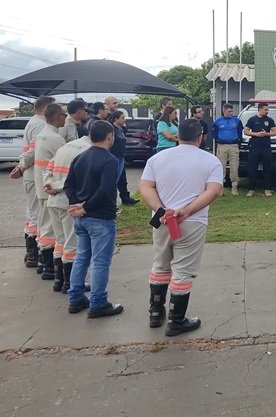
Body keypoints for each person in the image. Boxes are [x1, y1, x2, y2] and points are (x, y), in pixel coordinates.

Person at [139, 119, 223, 336]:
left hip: (162, 221)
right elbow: (213, 190)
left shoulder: (157, 158)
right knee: (183, 269)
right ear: (200, 137)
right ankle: (176, 320)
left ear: (178, 136)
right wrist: (187, 210)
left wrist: (160, 210)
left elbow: (146, 186)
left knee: (161, 265)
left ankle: (155, 311)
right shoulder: (210, 161)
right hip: (192, 222)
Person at [64, 120, 124, 317]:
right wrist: (85, 206)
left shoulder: (79, 158)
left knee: (81, 257)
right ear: (109, 137)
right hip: (100, 217)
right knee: (100, 261)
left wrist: (77, 204)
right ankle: (98, 302)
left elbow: (68, 185)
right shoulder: (109, 160)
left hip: (81, 218)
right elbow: (106, 189)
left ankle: (75, 298)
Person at [10, 95, 55, 269]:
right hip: (35, 173)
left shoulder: (33, 122)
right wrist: (22, 166)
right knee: (38, 213)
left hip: (31, 173)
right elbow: (34, 150)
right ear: (46, 108)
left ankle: (31, 252)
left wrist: (22, 165)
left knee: (32, 212)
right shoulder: (41, 125)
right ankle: (35, 253)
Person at [43, 135, 92, 293]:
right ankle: (70, 284)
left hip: (53, 201)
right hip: (68, 202)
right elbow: (76, 178)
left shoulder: (65, 147)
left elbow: (48, 168)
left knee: (60, 242)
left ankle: (59, 280)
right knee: (72, 244)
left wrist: (49, 184)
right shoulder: (87, 150)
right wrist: (57, 186)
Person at [33, 103, 67, 282]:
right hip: (51, 188)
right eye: (64, 115)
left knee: (43, 224)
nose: (65, 118)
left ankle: (43, 263)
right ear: (57, 116)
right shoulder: (56, 138)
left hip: (42, 186)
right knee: (49, 229)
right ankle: (48, 267)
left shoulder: (42, 134)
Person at [244, 102, 276, 197]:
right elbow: (246, 131)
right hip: (254, 147)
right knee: (252, 168)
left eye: (267, 109)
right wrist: (256, 134)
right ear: (260, 109)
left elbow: (274, 132)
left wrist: (266, 134)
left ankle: (267, 189)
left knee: (267, 168)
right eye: (265, 109)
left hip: (266, 147)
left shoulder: (269, 120)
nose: (267, 111)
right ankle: (251, 189)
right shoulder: (252, 119)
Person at [212, 103, 244, 196]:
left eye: (232, 111)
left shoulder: (237, 121)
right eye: (229, 111)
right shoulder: (217, 121)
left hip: (233, 146)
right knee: (221, 167)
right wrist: (219, 140)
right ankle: (221, 188)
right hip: (222, 146)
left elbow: (240, 132)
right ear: (224, 111)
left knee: (234, 166)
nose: (231, 113)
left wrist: (238, 141)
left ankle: (234, 187)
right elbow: (214, 132)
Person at [108, 110, 127, 188]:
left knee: (118, 177)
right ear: (116, 119)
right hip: (114, 155)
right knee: (114, 178)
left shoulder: (120, 129)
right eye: (122, 118)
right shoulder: (112, 129)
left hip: (121, 156)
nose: (124, 120)